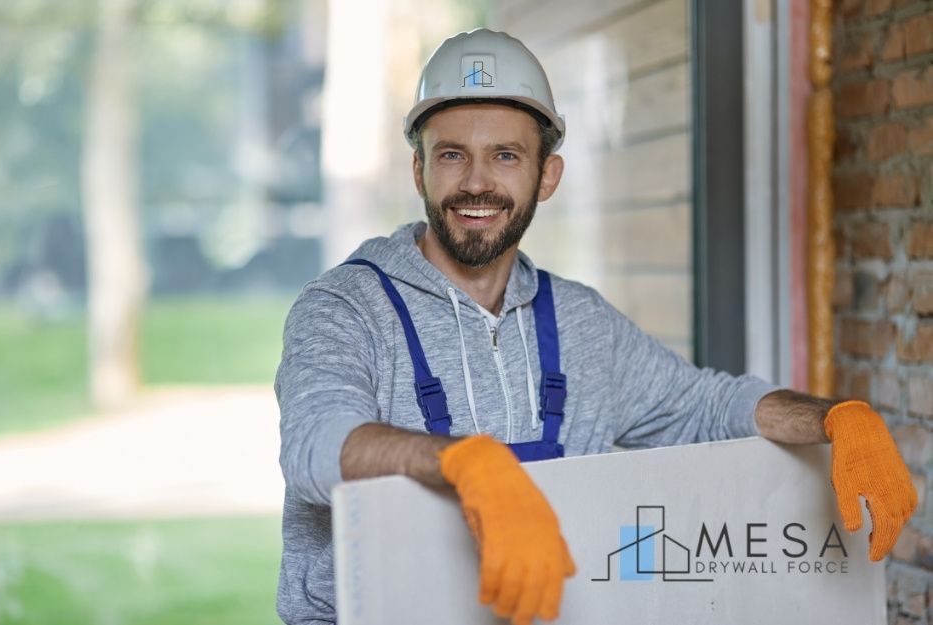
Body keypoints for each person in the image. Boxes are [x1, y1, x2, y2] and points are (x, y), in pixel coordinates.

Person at [274, 28, 916, 625]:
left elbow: (706, 406)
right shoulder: (345, 307)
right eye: (450, 155)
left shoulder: (579, 323)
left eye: (504, 155)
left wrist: (833, 418)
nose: (476, 182)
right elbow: (315, 445)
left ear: (545, 175)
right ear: (418, 171)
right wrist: (462, 463)